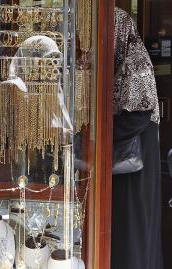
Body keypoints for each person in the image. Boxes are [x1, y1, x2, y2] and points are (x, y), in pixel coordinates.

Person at [112, 7, 163, 269]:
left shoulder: (135, 63)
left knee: (133, 229)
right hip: (127, 160)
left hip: (134, 162)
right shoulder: (122, 62)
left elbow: (138, 114)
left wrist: (98, 135)